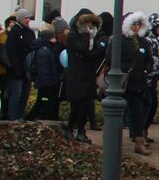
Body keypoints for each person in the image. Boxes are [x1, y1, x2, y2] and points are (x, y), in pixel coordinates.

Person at [64, 11, 106, 143]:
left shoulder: (95, 37)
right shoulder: (73, 36)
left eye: (92, 24)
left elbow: (97, 53)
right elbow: (83, 50)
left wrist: (90, 51)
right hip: (76, 76)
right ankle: (71, 128)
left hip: (88, 75)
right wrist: (86, 36)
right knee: (77, 104)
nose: (90, 26)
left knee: (85, 104)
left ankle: (80, 131)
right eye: (87, 23)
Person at [120, 12, 154, 155]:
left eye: (138, 24)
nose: (135, 27)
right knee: (119, 112)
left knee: (138, 113)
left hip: (139, 83)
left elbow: (149, 60)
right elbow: (112, 59)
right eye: (133, 24)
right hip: (124, 83)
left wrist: (146, 71)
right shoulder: (121, 40)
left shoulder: (143, 41)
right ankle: (113, 139)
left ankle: (139, 142)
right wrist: (124, 70)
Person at [25, 22, 62, 121]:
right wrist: (47, 84)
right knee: (42, 101)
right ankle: (33, 118)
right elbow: (43, 69)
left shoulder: (47, 49)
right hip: (46, 84)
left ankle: (36, 117)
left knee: (43, 101)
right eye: (53, 38)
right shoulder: (44, 51)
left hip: (47, 82)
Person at [144, 14, 159, 140]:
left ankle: (143, 130)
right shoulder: (148, 39)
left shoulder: (156, 40)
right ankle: (141, 132)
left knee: (152, 104)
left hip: (154, 77)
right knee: (149, 104)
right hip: (147, 77)